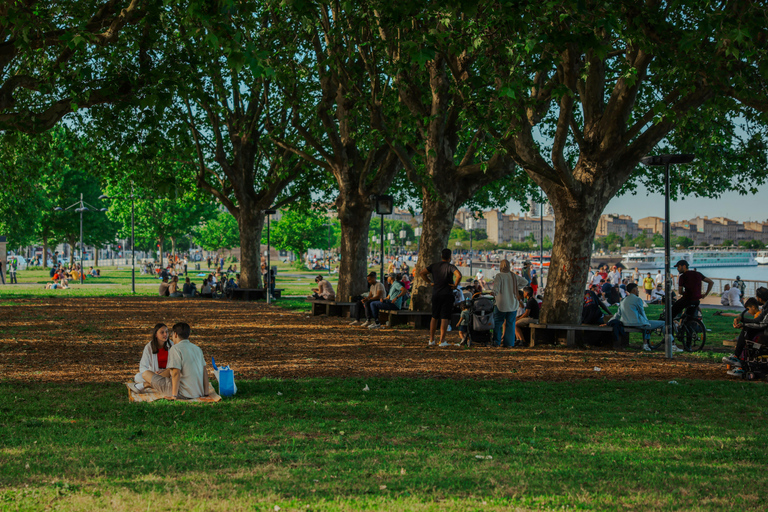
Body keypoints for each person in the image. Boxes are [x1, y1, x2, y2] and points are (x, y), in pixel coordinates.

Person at [142, 322, 210, 400]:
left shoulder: (175, 348)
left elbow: (175, 373)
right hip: (198, 392)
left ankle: (145, 384)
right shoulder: (197, 349)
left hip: (182, 393)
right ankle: (147, 384)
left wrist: (174, 396)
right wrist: (206, 393)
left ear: (175, 334)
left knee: (146, 374)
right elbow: (205, 371)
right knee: (168, 372)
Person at [602, 283, 665, 352]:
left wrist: (608, 322)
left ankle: (646, 344)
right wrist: (647, 322)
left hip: (625, 323)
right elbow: (642, 313)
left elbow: (617, 314)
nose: (638, 291)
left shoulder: (623, 300)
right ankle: (668, 343)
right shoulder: (638, 299)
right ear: (634, 290)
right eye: (637, 289)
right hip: (636, 323)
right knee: (662, 323)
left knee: (646, 323)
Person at [419, 248, 462, 347]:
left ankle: (431, 340)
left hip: (436, 294)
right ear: (450, 257)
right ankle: (442, 340)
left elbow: (422, 273)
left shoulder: (434, 266)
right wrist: (455, 285)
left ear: (441, 256)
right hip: (447, 294)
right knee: (444, 317)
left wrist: (430, 282)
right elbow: (459, 275)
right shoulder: (450, 266)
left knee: (434, 317)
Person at [722, 288, 768, 373]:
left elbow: (763, 324)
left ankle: (739, 360)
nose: (756, 299)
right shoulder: (765, 307)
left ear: (760, 298)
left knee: (747, 330)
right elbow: (757, 320)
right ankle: (738, 359)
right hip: (764, 331)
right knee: (747, 330)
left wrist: (745, 325)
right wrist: (741, 319)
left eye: (757, 297)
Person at [491, 259, 526, 348]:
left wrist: (493, 293)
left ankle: (497, 342)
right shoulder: (513, 276)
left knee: (498, 323)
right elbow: (525, 282)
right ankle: (509, 343)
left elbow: (496, 288)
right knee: (510, 323)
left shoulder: (499, 276)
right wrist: (517, 287)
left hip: (501, 304)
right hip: (513, 304)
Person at [134, 323, 174, 391]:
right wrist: (153, 374)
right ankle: (158, 383)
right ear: (156, 335)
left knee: (175, 375)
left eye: (166, 332)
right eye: (162, 332)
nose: (165, 334)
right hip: (153, 374)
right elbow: (142, 367)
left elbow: (175, 365)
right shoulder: (149, 347)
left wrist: (165, 371)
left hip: (167, 373)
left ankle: (146, 384)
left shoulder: (172, 345)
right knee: (138, 377)